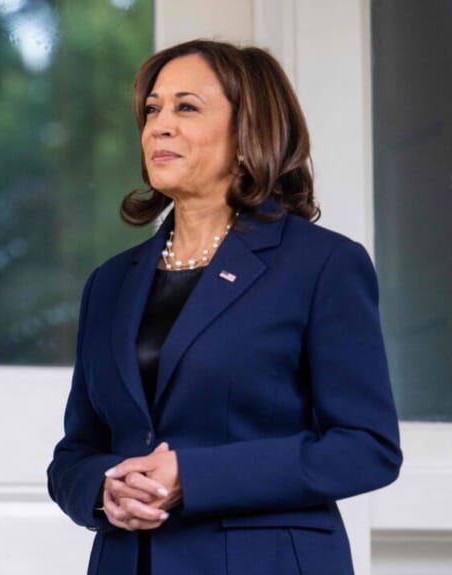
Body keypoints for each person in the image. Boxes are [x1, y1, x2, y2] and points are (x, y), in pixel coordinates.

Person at [47, 39, 401, 575]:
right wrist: (103, 491)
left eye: (186, 107)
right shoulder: (110, 283)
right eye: (152, 110)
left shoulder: (323, 264)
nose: (160, 126)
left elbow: (366, 447)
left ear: (249, 132)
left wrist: (193, 476)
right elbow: (76, 452)